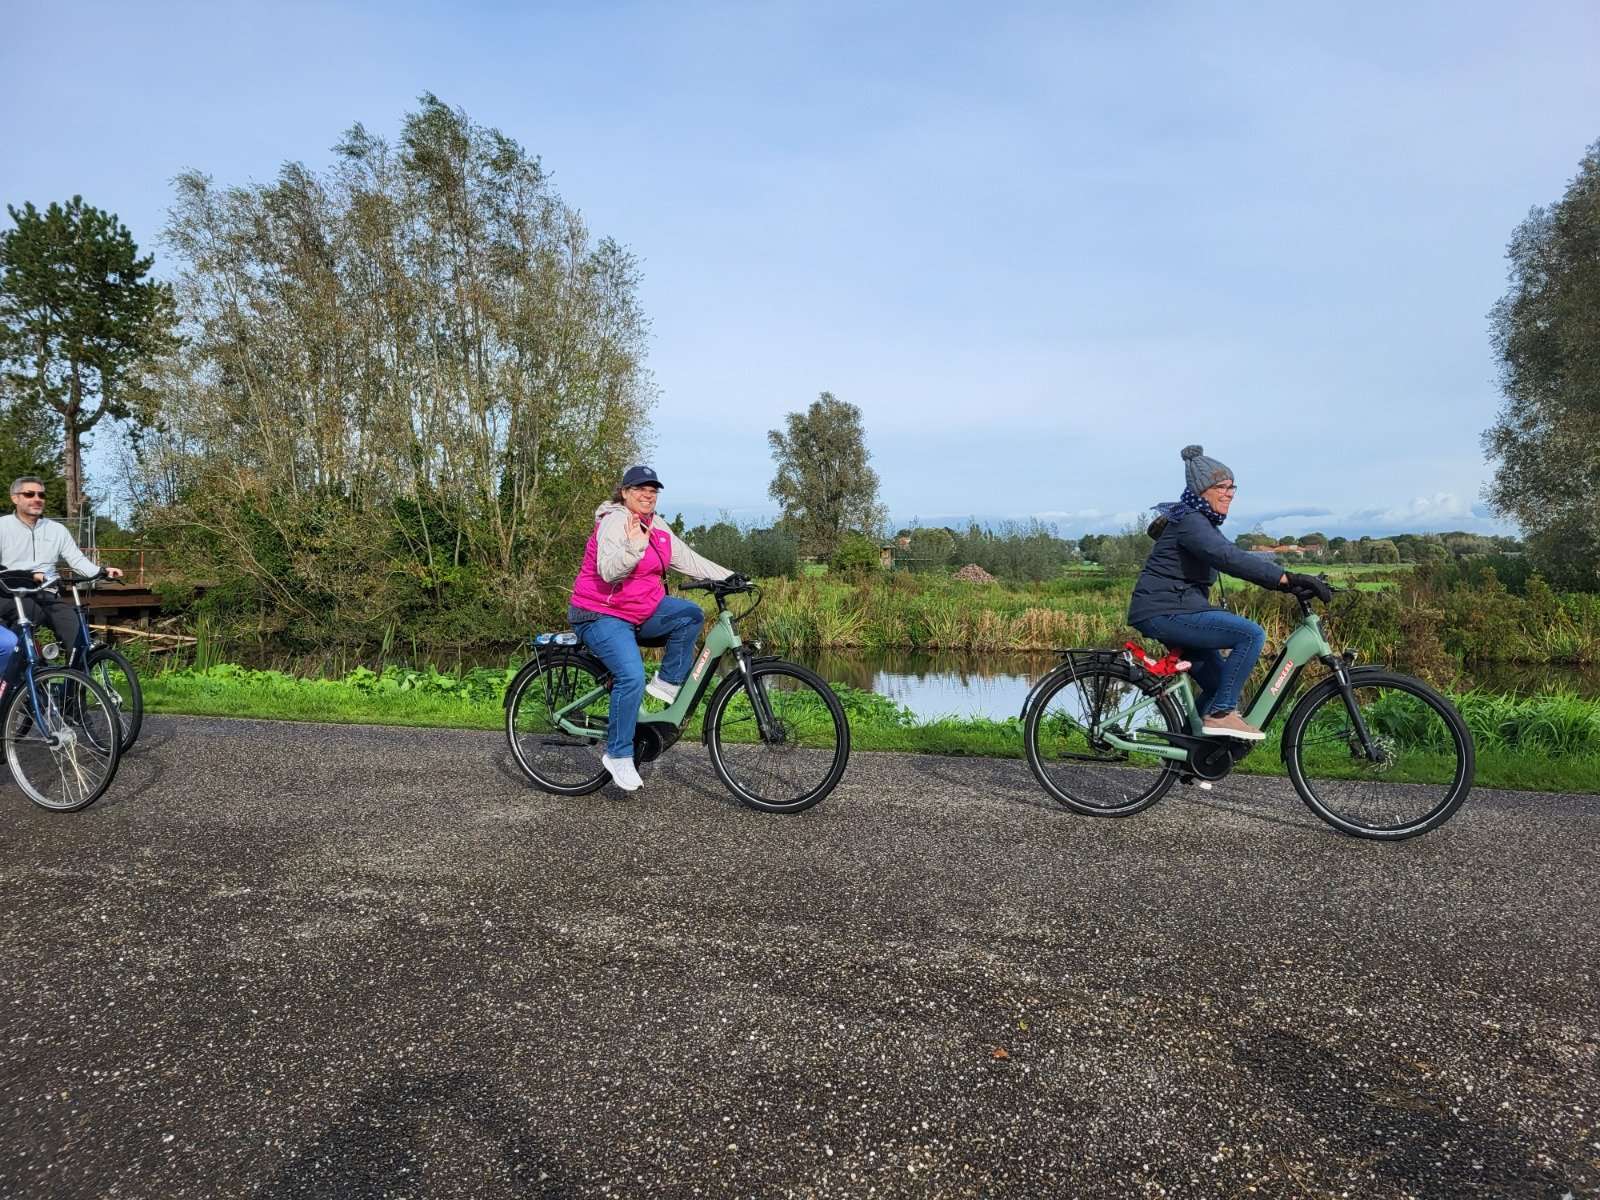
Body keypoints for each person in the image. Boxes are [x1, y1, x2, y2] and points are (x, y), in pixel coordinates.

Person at [1127, 446, 1331, 741]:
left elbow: (1235, 554)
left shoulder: (1199, 520)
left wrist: (1289, 578)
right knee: (1250, 635)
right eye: (1221, 487)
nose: (1230, 493)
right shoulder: (1190, 521)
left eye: (1232, 486)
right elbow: (1227, 558)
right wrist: (1285, 579)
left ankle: (1191, 752)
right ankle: (1222, 713)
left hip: (1177, 608)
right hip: (1166, 611)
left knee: (1216, 682)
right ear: (1201, 490)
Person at [568, 465, 737, 792]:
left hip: (638, 610)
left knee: (689, 614)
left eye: (653, 489)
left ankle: (668, 682)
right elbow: (607, 570)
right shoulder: (615, 521)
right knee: (630, 676)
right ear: (625, 492)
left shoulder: (656, 525)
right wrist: (634, 547)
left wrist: (729, 576)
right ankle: (618, 754)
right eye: (640, 488)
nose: (648, 494)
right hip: (599, 614)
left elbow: (687, 558)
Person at [0, 476, 123, 650]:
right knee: (30, 617)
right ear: (15, 498)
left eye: (41, 495)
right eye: (29, 494)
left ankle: (74, 675)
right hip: (9, 593)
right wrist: (26, 576)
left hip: (46, 592)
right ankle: (19, 670)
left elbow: (77, 559)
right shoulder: (2, 526)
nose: (37, 499)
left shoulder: (57, 530)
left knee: (75, 628)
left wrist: (102, 571)